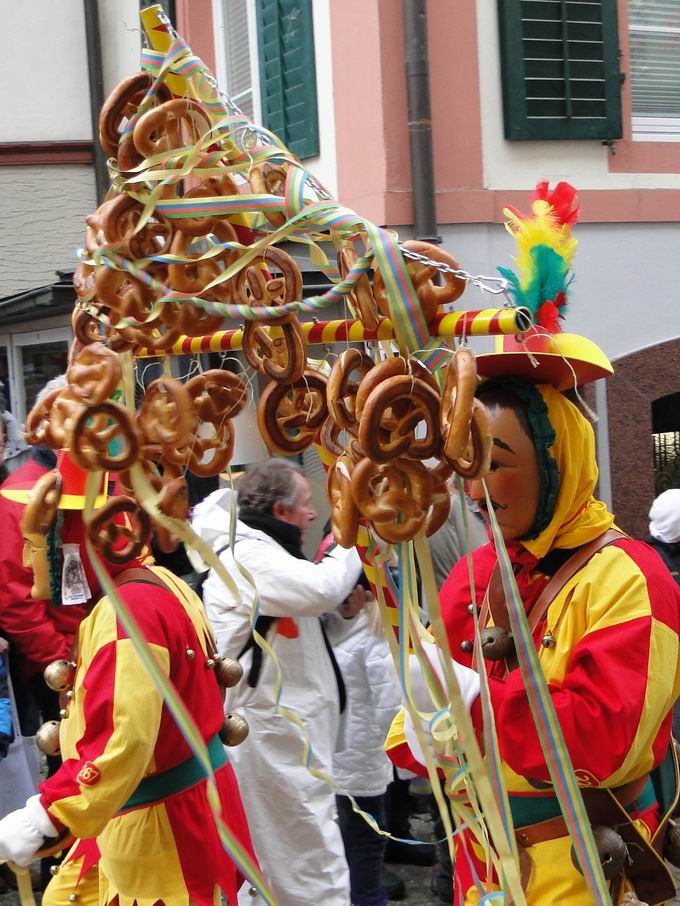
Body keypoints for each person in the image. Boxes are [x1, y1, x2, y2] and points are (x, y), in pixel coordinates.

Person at [388, 377, 680, 904]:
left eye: (496, 465)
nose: (475, 492)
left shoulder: (630, 577)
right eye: (470, 467)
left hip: (586, 866)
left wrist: (473, 700)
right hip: (481, 863)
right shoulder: (474, 573)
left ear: (556, 462)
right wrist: (420, 730)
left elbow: (606, 744)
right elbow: (424, 713)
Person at [0, 472, 257, 905]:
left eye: (49, 536)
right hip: (170, 808)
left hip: (165, 828)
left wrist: (44, 816)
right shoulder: (157, 583)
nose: (33, 559)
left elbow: (122, 738)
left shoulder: (128, 612)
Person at [196, 459, 366, 906]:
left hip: (287, 739)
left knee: (291, 859)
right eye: (306, 505)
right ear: (280, 511)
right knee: (308, 862)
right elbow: (324, 588)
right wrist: (354, 532)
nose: (312, 514)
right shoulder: (248, 556)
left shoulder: (264, 551)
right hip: (271, 740)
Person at [323, 534, 402, 906]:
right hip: (350, 768)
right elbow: (388, 708)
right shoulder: (356, 634)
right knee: (360, 847)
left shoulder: (356, 636)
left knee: (357, 848)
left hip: (349, 769)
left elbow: (388, 709)